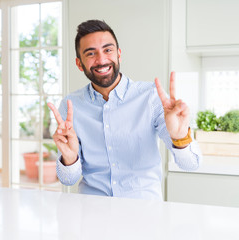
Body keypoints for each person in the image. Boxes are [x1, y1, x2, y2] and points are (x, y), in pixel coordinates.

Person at [47, 19, 201, 200]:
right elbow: (68, 180)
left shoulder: (151, 97)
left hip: (143, 213)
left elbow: (191, 164)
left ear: (119, 54)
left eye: (108, 50)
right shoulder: (70, 105)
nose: (102, 59)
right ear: (79, 63)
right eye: (90, 53)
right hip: (93, 213)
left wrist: (180, 136)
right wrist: (70, 158)